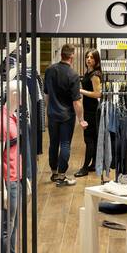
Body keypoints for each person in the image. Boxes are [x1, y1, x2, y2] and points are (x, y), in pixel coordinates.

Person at [44, 44, 87, 187]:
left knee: (53, 144)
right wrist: (81, 119)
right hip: (67, 116)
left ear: (61, 54)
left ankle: (54, 172)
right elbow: (77, 102)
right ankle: (62, 176)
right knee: (65, 144)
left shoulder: (49, 70)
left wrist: (47, 111)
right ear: (72, 56)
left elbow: (47, 95)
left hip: (52, 114)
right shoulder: (73, 75)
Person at [74, 50, 103, 178]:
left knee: (89, 139)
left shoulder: (95, 75)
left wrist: (81, 91)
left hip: (92, 110)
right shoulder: (89, 72)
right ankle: (93, 164)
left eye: (91, 57)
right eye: (87, 57)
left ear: (96, 60)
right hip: (89, 109)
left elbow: (98, 94)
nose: (88, 59)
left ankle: (85, 167)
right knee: (93, 138)